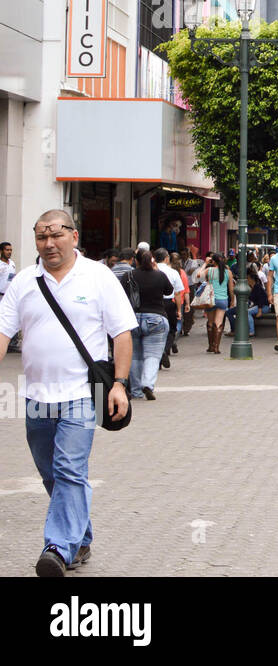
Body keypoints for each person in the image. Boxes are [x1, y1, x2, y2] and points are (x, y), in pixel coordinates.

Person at [0, 210, 135, 576]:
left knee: (69, 469)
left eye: (56, 235)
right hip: (37, 396)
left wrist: (120, 384)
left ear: (74, 237)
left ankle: (57, 548)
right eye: (41, 237)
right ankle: (81, 536)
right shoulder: (24, 281)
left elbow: (122, 333)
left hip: (82, 393)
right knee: (50, 473)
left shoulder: (97, 276)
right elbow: (2, 333)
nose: (49, 244)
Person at [127, 248, 173, 400]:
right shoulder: (159, 275)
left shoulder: (129, 276)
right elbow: (169, 291)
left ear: (136, 260)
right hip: (156, 318)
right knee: (152, 355)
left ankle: (136, 391)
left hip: (133, 318)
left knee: (135, 356)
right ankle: (147, 383)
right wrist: (156, 269)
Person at [153, 247, 183, 363]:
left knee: (155, 330)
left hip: (154, 303)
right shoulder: (173, 272)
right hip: (168, 303)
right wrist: (179, 310)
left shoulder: (151, 270)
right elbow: (177, 293)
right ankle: (164, 350)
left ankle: (159, 352)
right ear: (166, 259)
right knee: (171, 329)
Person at [204, 254, 235, 354]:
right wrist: (232, 300)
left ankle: (210, 346)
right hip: (223, 300)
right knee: (218, 323)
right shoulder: (228, 272)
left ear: (213, 261)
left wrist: (205, 264)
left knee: (210, 323)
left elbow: (198, 277)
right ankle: (217, 347)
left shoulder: (209, 271)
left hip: (211, 299)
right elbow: (231, 288)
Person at [0, 241, 15, 305]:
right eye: (7, 250)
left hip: (9, 297)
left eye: (11, 250)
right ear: (1, 251)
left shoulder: (12, 263)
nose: (9, 252)